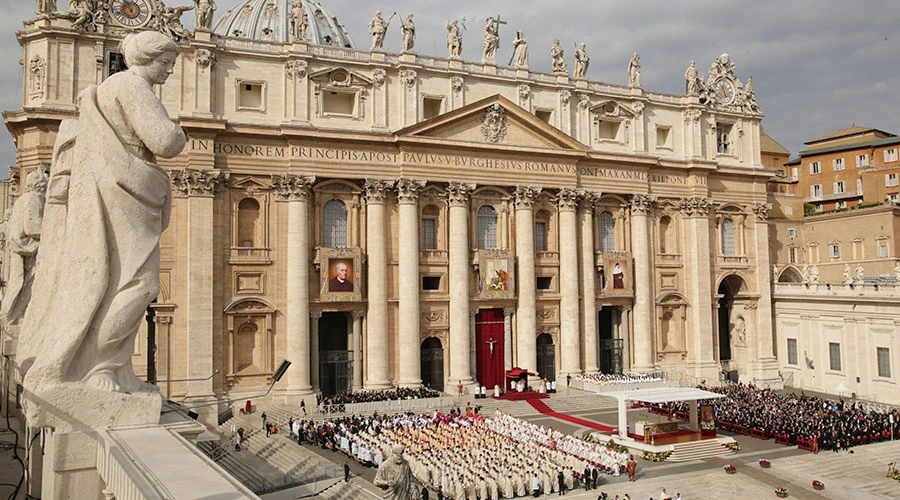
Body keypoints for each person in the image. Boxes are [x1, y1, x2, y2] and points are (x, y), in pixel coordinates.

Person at [17, 30, 185, 395]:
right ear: (149, 58)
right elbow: (167, 141)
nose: (171, 71)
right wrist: (180, 132)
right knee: (136, 284)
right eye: (167, 63)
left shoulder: (105, 89)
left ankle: (104, 366)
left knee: (113, 282)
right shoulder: (133, 88)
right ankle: (101, 366)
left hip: (119, 190)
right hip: (124, 192)